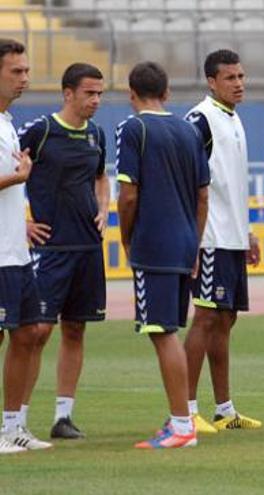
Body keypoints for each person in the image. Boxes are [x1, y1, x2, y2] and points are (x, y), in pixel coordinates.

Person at [116, 61, 210, 449]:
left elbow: (129, 194)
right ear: (167, 92)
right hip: (185, 242)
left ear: (131, 94)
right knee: (169, 330)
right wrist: (195, 242)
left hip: (153, 243)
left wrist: (126, 239)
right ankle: (181, 419)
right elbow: (203, 195)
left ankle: (181, 425)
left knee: (162, 333)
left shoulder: (133, 128)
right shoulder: (190, 130)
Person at [16, 63, 108, 440]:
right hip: (50, 248)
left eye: (100, 93)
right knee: (36, 331)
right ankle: (16, 419)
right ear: (68, 93)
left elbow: (101, 177)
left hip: (87, 246)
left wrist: (104, 208)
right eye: (89, 93)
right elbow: (9, 174)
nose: (96, 100)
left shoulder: (96, 134)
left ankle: (63, 417)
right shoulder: (40, 131)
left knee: (75, 328)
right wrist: (20, 224)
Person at [183, 49, 262, 434]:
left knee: (226, 319)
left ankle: (225, 409)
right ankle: (186, 410)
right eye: (230, 78)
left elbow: (230, 184)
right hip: (210, 236)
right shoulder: (199, 120)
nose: (239, 84)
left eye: (242, 77)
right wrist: (192, 238)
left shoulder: (233, 119)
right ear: (211, 82)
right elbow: (187, 180)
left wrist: (245, 232)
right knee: (206, 315)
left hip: (231, 236)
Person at [0, 38, 52, 453]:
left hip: (16, 251)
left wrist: (25, 218)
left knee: (30, 333)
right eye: (16, 71)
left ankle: (12, 424)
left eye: (26, 71)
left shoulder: (7, 122)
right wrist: (17, 179)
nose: (25, 78)